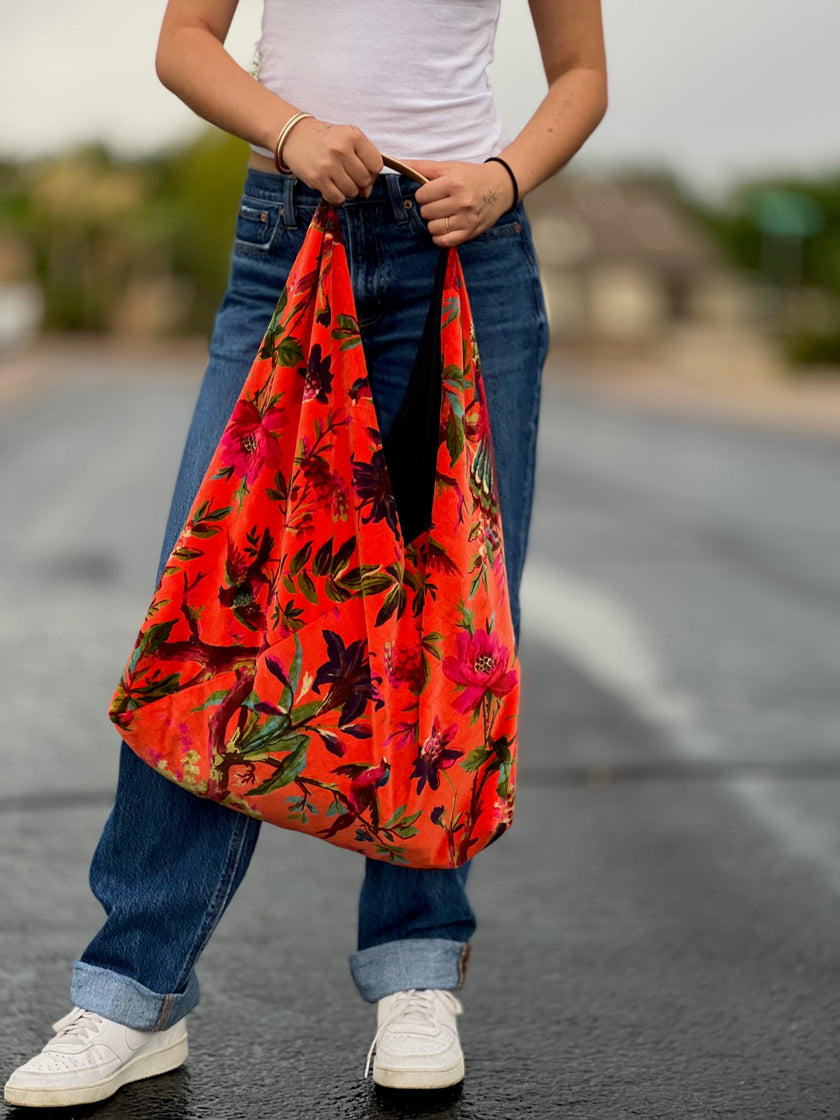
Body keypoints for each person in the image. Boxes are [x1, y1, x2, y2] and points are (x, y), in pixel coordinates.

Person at [4, 0, 607, 1108]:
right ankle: (131, 991)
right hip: (290, 233)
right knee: (211, 614)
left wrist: (507, 177)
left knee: (448, 625)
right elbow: (183, 40)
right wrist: (290, 130)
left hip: (466, 252)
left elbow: (580, 75)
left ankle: (416, 973)